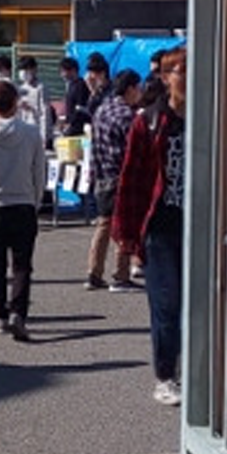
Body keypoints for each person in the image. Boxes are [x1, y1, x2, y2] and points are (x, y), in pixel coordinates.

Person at [112, 48, 187, 405]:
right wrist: (126, 234)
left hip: (200, 225)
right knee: (166, 303)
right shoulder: (150, 122)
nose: (188, 79)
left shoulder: (212, 119)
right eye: (182, 72)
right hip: (160, 225)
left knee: (199, 304)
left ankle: (195, 371)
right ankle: (165, 375)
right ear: (166, 77)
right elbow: (131, 179)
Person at [0, 79, 46, 342]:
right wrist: (35, 201)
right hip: (24, 204)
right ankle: (19, 314)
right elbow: (39, 173)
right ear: (15, 103)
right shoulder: (31, 133)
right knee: (23, 265)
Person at [83, 69, 142, 290]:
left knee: (104, 224)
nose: (140, 92)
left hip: (101, 175)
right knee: (123, 226)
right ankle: (120, 275)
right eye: (138, 87)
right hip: (121, 176)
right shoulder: (127, 115)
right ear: (130, 89)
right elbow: (133, 150)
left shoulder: (102, 109)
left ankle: (93, 272)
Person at [16, 56, 50, 142]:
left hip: (36, 130)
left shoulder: (40, 87)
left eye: (26, 69)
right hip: (23, 130)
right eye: (21, 70)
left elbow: (45, 112)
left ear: (34, 70)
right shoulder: (20, 88)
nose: (23, 72)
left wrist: (44, 136)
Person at [58, 56, 91, 136]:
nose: (62, 75)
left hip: (78, 128)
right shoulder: (71, 86)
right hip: (71, 125)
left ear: (73, 70)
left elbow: (80, 108)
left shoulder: (80, 85)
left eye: (64, 71)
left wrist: (70, 123)